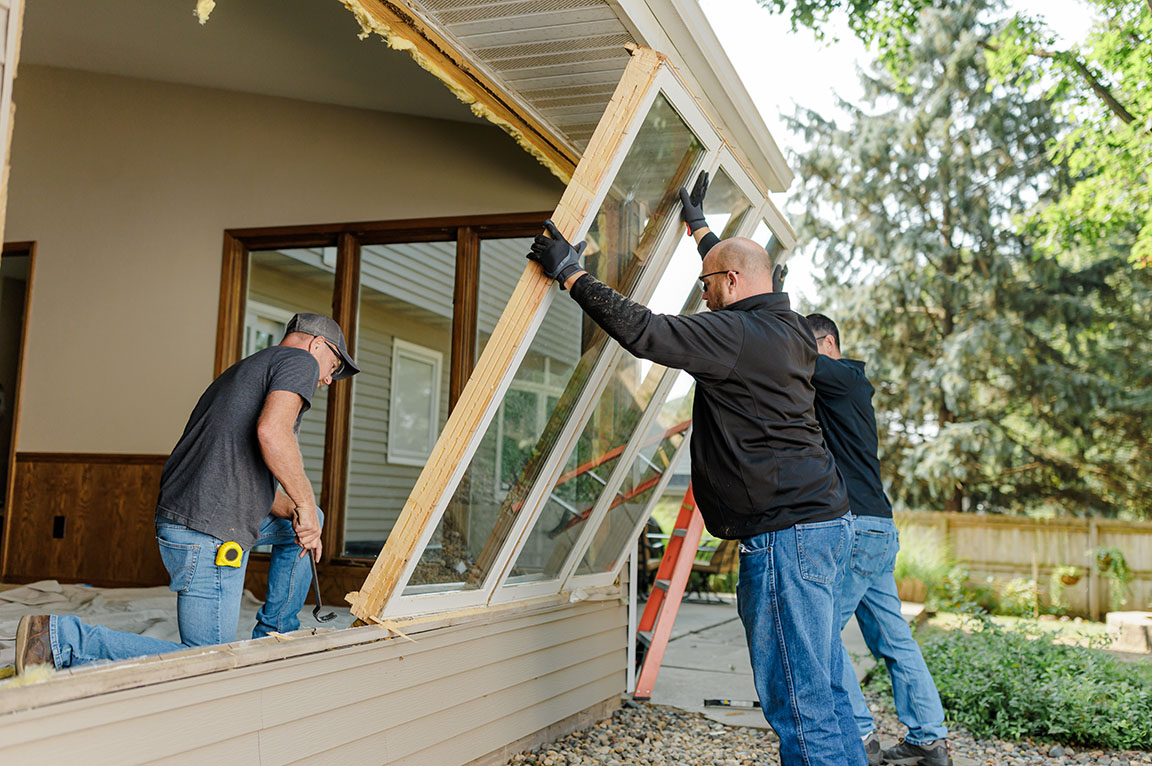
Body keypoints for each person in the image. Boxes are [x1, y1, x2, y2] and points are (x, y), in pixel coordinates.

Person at [527, 176, 866, 765]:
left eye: (706, 283)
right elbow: (736, 266)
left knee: (797, 700)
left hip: (787, 538)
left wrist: (572, 274)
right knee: (826, 691)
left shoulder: (733, 332)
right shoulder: (787, 326)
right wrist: (699, 227)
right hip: (823, 528)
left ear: (730, 284)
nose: (702, 293)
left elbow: (645, 331)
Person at [14, 313, 359, 673]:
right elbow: (273, 433)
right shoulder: (298, 360)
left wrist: (300, 511)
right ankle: (60, 638)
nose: (328, 380)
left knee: (308, 520)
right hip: (206, 531)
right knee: (209, 660)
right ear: (317, 345)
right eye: (332, 366)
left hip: (198, 513)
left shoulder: (246, 370)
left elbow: (239, 470)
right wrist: (303, 498)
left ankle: (275, 639)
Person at [806, 312, 952, 766]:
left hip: (858, 530)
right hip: (877, 528)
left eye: (808, 348)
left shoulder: (844, 377)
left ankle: (861, 736)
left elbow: (794, 361)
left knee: (823, 636)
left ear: (827, 343)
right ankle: (929, 741)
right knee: (895, 639)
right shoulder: (841, 388)